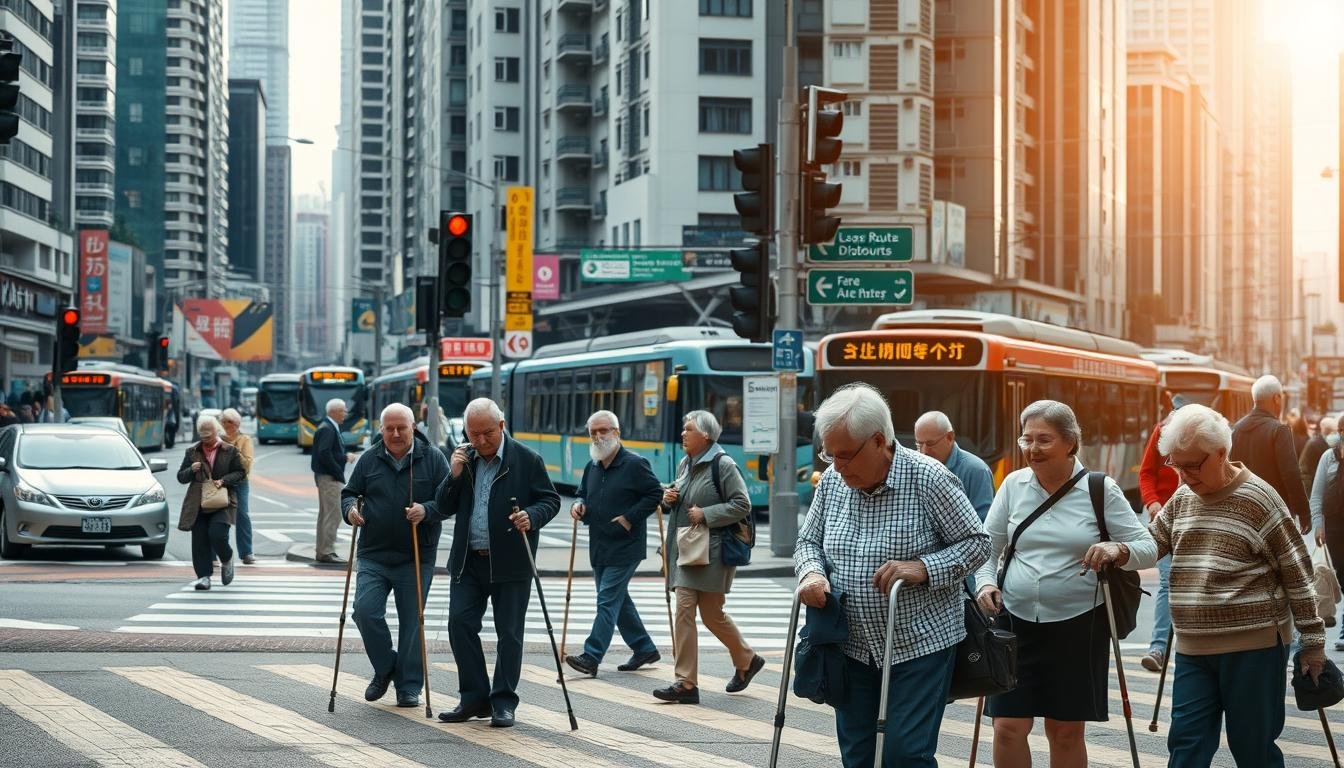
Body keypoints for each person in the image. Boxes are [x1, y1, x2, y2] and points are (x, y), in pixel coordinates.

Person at [1088, 403, 1326, 767]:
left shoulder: (1260, 500)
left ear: (1221, 453)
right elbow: (1154, 544)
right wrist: (1119, 550)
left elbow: (1297, 573)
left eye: (1192, 465)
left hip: (1254, 647)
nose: (1182, 475)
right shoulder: (1182, 500)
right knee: (1185, 745)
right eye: (1175, 464)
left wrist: (1312, 642)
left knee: (1253, 748)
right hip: (1193, 647)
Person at [796, 384, 989, 767]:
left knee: (904, 754)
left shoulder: (929, 478)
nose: (836, 465)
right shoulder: (834, 482)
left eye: (846, 455)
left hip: (919, 644)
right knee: (858, 754)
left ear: (879, 442)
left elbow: (977, 544)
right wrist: (812, 575)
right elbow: (807, 542)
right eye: (829, 454)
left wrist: (923, 568)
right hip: (850, 643)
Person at [975, 399, 1158, 768]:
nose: (1032, 449)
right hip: (1015, 622)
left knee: (1065, 731)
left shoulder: (1099, 489)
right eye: (1026, 439)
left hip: (1079, 625)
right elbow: (986, 547)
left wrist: (1116, 548)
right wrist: (983, 584)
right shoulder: (1013, 485)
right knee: (1007, 726)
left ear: (1070, 443)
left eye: (1044, 440)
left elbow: (1149, 548)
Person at [436, 397, 560, 729]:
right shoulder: (466, 459)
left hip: (511, 561)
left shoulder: (527, 459)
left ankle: (503, 701)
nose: (479, 441)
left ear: (501, 426)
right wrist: (454, 474)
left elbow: (550, 500)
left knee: (509, 634)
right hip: (468, 561)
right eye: (472, 434)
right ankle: (474, 697)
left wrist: (531, 516)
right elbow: (443, 505)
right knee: (459, 624)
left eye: (486, 433)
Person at [342, 403, 450, 708]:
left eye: (401, 427)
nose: (395, 434)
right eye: (389, 428)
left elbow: (448, 500)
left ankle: (409, 686)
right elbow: (349, 493)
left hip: (416, 553)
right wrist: (350, 511)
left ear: (414, 426)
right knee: (365, 611)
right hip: (374, 552)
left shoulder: (433, 459)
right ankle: (387, 667)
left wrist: (426, 510)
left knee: (412, 622)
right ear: (381, 430)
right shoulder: (369, 459)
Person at [653, 409, 761, 706]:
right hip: (688, 550)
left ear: (706, 435)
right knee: (686, 607)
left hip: (713, 552)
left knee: (712, 614)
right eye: (684, 429)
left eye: (688, 429)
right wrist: (668, 498)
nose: (683, 434)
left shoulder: (723, 465)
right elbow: (678, 499)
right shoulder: (686, 463)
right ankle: (687, 682)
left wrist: (707, 514)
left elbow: (742, 504)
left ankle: (745, 660)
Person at [563, 410, 664, 677]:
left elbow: (655, 493)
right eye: (593, 432)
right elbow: (582, 493)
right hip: (600, 543)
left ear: (616, 433)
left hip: (626, 545)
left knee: (607, 600)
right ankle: (644, 647)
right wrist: (578, 505)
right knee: (618, 601)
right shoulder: (593, 465)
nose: (597, 436)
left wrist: (630, 518)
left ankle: (591, 655)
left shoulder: (634, 463)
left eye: (603, 430)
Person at [1137, 393, 1189, 673]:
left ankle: (1191, 646)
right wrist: (1152, 501)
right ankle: (1158, 648)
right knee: (1168, 582)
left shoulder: (1203, 438)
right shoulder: (1161, 431)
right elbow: (1146, 473)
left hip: (1194, 521)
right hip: (1165, 519)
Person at [1231, 375, 1312, 533]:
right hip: (1274, 514)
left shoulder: (1238, 429)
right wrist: (1304, 513)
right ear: (1276, 399)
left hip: (1244, 513)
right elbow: (1290, 473)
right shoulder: (1279, 430)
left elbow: (1231, 470)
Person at [175, 414, 246, 591]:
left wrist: (223, 480)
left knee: (217, 534)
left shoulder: (229, 450)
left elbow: (240, 473)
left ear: (216, 431)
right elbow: (181, 477)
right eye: (202, 437)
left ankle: (227, 558)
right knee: (199, 540)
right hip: (198, 502)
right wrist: (191, 470)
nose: (206, 440)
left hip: (222, 500)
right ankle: (204, 577)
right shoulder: (192, 452)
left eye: (209, 436)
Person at [913, 410, 994, 520]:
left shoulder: (977, 471)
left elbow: (983, 523)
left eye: (930, 444)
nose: (924, 451)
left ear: (949, 438)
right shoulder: (916, 468)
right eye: (919, 444)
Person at [1309, 420, 1344, 649]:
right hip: (1335, 527)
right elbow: (1317, 494)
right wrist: (1318, 525)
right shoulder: (1329, 458)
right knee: (1341, 576)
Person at [312, 397, 355, 563]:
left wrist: (343, 457)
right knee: (333, 514)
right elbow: (324, 454)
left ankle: (323, 550)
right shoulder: (328, 429)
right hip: (329, 478)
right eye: (343, 410)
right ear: (335, 412)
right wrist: (339, 470)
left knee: (326, 514)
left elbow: (326, 452)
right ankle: (326, 551)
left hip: (325, 476)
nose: (345, 413)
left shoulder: (327, 426)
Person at [219, 408, 256, 565]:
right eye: (224, 421)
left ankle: (246, 552)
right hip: (220, 483)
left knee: (242, 515)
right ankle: (219, 552)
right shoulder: (217, 439)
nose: (226, 425)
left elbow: (246, 464)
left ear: (237, 424)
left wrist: (232, 450)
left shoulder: (244, 440)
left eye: (230, 422)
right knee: (219, 517)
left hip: (240, 482)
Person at [1302, 415, 1338, 497]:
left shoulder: (1332, 444)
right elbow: (1304, 471)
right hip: (1316, 486)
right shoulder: (1313, 444)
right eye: (1334, 431)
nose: (1336, 434)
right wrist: (1309, 493)